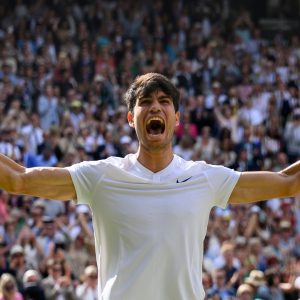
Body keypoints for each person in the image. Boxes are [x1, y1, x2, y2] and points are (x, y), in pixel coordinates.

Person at [0, 72, 300, 300]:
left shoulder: (204, 176)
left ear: (177, 118)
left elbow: (288, 183)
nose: (155, 107)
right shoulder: (102, 176)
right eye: (145, 102)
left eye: (164, 102)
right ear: (132, 118)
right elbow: (18, 179)